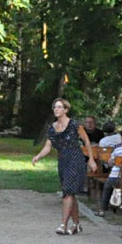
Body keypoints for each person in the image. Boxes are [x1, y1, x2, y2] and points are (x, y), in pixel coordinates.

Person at [30, 98, 99, 236]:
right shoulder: (52, 128)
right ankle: (76, 224)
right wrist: (38, 156)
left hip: (76, 159)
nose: (56, 109)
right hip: (63, 160)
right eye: (55, 107)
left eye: (60, 107)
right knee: (70, 193)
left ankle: (63, 224)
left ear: (66, 110)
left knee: (67, 191)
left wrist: (91, 159)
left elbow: (86, 141)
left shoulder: (74, 125)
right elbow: (48, 146)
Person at [97, 127, 122, 215]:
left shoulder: (117, 148)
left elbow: (110, 162)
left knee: (107, 187)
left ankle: (103, 209)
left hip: (115, 176)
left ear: (121, 137)